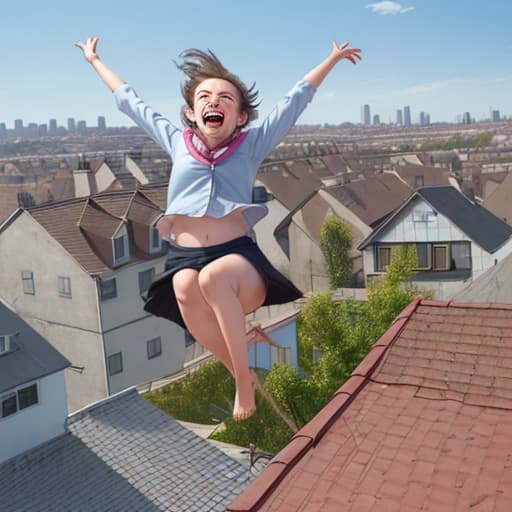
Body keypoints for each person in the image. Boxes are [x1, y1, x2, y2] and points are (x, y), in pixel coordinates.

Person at [75, 37, 362, 420]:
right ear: (192, 113)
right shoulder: (177, 142)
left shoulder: (252, 143)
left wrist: (332, 59)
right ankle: (239, 363)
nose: (214, 102)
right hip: (184, 256)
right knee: (183, 285)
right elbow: (130, 101)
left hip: (236, 260)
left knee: (211, 279)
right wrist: (95, 60)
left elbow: (295, 100)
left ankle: (242, 382)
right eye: (205, 97)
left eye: (226, 99)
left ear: (241, 117)